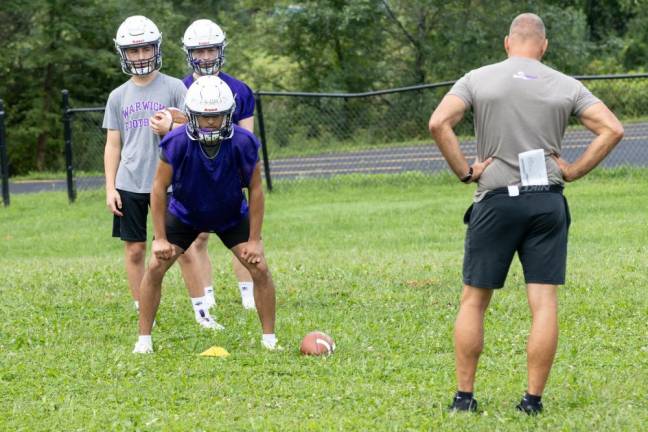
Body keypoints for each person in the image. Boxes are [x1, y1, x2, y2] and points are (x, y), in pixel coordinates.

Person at [428, 13, 623, 414]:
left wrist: (466, 171)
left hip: (496, 200)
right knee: (544, 302)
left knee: (473, 302)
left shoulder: (478, 78)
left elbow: (439, 122)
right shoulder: (565, 84)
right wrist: (572, 170)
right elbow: (613, 129)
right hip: (547, 201)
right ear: (544, 46)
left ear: (507, 43)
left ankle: (464, 399)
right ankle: (532, 402)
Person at [132, 75, 278, 354]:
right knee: (154, 267)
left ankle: (269, 340)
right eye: (203, 117)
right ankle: (143, 341)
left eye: (217, 116)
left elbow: (256, 190)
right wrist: (160, 237)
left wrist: (255, 239)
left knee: (260, 269)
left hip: (231, 214)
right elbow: (159, 187)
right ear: (191, 115)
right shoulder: (176, 141)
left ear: (228, 115)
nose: (210, 122)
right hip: (185, 214)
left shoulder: (243, 142)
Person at [103, 16, 220, 331]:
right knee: (135, 249)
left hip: (171, 184)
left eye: (145, 48)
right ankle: (144, 310)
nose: (140, 55)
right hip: (130, 183)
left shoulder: (174, 87)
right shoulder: (117, 96)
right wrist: (110, 187)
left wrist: (172, 125)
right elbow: (113, 145)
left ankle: (203, 313)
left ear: (156, 48)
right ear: (123, 53)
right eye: (133, 50)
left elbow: (194, 127)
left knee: (182, 250)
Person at [175, 19, 257, 312]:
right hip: (194, 174)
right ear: (189, 53)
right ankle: (206, 294)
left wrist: (243, 173)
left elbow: (247, 136)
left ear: (220, 49)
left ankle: (248, 293)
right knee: (197, 237)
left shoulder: (239, 89)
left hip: (228, 173)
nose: (206, 56)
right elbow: (176, 139)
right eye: (200, 51)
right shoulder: (179, 89)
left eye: (211, 49)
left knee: (242, 234)